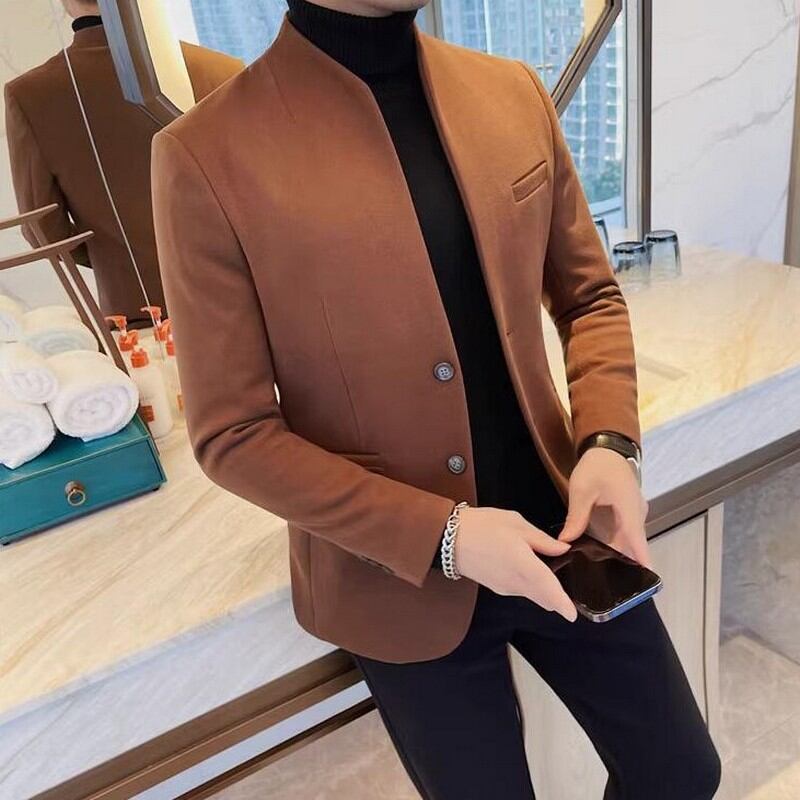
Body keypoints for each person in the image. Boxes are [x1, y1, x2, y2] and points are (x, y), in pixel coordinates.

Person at [151, 0, 722, 797]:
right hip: (396, 580)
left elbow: (589, 297)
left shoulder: (510, 91)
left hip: (563, 530)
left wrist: (608, 443)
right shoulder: (206, 154)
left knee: (681, 772)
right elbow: (233, 433)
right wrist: (446, 536)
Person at [3, 0, 243, 327]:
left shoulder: (30, 96)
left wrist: (112, 257)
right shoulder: (222, 69)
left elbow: (43, 230)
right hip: (243, 305)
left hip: (135, 319)